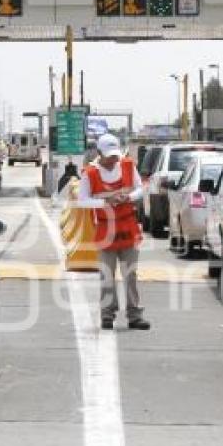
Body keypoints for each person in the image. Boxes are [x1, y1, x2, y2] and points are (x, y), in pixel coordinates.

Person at [78, 134, 150, 331]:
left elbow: (140, 189)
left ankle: (135, 315)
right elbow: (82, 200)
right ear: (99, 153)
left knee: (131, 274)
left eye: (115, 155)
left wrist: (128, 197)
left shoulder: (127, 165)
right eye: (109, 156)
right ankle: (107, 314)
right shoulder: (90, 173)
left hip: (128, 227)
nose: (113, 159)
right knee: (107, 275)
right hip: (105, 229)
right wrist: (104, 202)